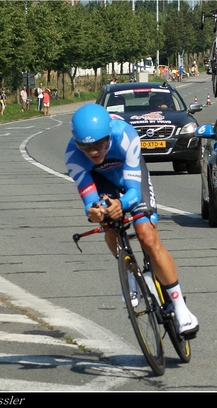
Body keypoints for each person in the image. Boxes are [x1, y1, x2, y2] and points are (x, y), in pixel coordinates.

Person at [64, 103, 199, 337]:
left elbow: (135, 193)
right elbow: (90, 201)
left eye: (100, 144)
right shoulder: (72, 157)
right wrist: (95, 212)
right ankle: (128, 270)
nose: (94, 152)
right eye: (85, 147)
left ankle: (181, 309)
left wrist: (122, 204)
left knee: (147, 235)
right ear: (76, 143)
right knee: (108, 225)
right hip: (102, 181)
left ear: (109, 135)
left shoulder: (125, 135)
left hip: (130, 179)